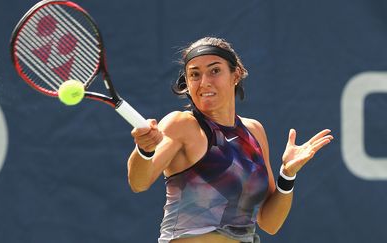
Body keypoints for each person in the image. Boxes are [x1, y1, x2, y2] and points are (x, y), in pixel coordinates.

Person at [126, 37, 333, 243]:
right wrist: (145, 150)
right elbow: (139, 182)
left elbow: (270, 223)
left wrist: (287, 175)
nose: (204, 82)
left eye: (214, 71)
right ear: (187, 83)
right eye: (194, 74)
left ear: (236, 75)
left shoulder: (254, 131)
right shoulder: (180, 125)